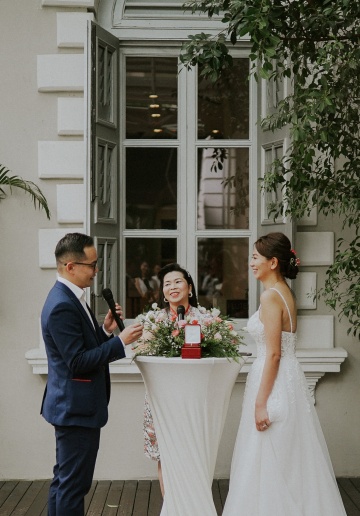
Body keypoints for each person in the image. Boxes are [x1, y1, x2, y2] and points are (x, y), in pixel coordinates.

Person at [222, 232, 346, 515]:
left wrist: (260, 402)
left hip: (274, 381)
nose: (251, 262)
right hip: (287, 378)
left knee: (267, 457)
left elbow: (274, 353)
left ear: (273, 262)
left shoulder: (269, 297)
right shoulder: (284, 293)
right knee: (289, 458)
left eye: (255, 257)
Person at [40, 232, 143, 515]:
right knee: (74, 486)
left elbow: (79, 348)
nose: (96, 271)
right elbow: (77, 361)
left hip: (74, 405)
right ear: (70, 266)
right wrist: (120, 343)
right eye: (92, 265)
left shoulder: (71, 296)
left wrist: (104, 331)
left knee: (65, 481)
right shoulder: (62, 303)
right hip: (75, 408)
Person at [138, 262, 210, 498]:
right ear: (164, 293)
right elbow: (144, 353)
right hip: (162, 397)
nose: (172, 287)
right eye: (167, 284)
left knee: (195, 452)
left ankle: (194, 505)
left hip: (193, 397)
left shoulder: (205, 319)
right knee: (166, 454)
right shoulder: (154, 320)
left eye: (178, 281)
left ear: (189, 288)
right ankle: (171, 506)